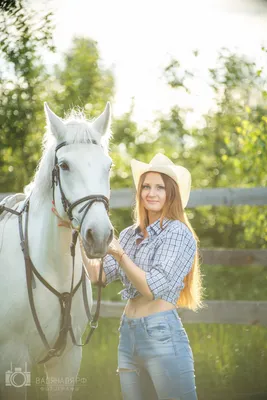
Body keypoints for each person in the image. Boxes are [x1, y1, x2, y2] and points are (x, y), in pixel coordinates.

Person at [55, 153, 203, 399]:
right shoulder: (129, 234)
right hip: (128, 335)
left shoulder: (177, 233)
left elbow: (151, 288)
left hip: (161, 335)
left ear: (171, 194)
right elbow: (98, 275)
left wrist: (121, 255)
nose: (151, 193)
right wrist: (79, 231)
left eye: (159, 188)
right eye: (146, 186)